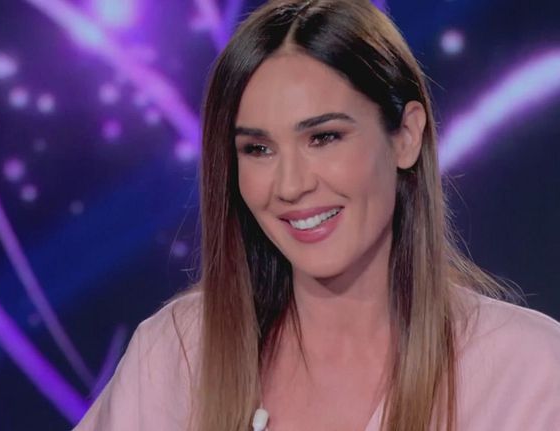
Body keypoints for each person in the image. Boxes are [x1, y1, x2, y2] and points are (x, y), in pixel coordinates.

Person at [73, 0, 560, 430]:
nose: (290, 185)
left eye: (323, 137)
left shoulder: (529, 372)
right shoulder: (179, 354)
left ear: (407, 136)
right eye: (258, 149)